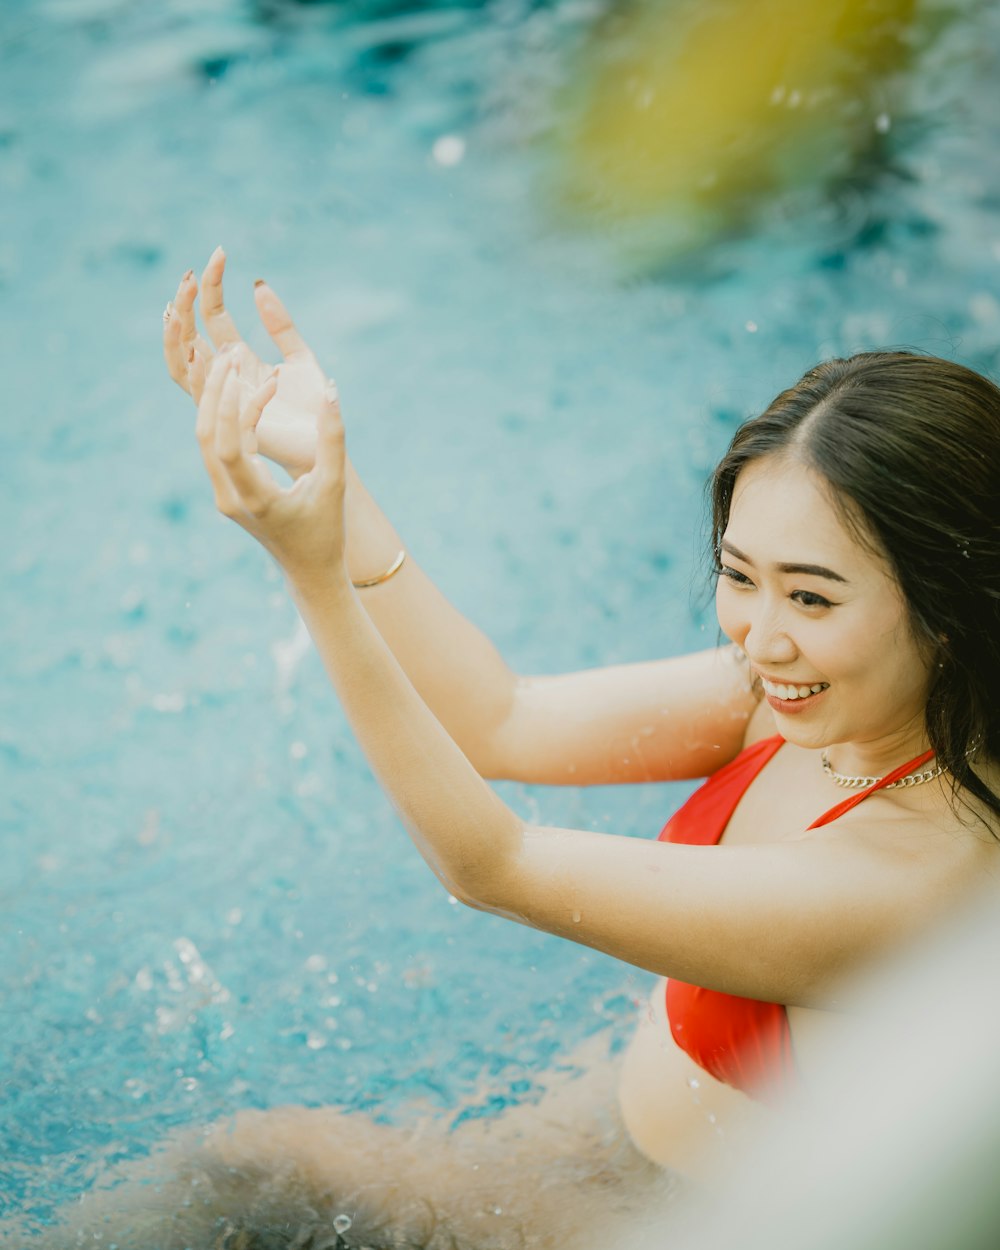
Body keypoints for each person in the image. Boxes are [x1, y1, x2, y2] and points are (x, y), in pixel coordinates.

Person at [59, 247, 992, 1249]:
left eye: (810, 595)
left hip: (663, 1223)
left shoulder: (920, 877)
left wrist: (313, 574)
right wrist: (327, 480)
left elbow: (488, 865)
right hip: (600, 1128)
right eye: (738, 575)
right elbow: (499, 718)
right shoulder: (818, 698)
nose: (758, 636)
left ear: (949, 608)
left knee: (243, 1165)